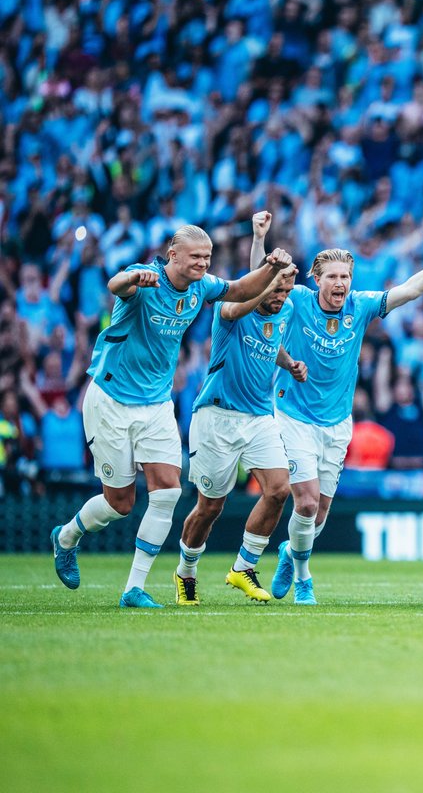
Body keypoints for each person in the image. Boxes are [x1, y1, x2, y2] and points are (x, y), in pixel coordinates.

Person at [49, 224, 294, 608]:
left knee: (168, 491)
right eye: (195, 256)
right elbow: (117, 285)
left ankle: (134, 588)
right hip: (111, 398)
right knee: (120, 503)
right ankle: (66, 537)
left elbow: (240, 290)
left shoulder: (202, 287)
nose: (202, 263)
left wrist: (269, 266)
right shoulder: (145, 278)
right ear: (172, 254)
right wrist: (132, 276)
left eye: (207, 257)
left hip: (157, 403)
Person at [269, 231, 423, 605]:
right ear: (316, 278)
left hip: (337, 422)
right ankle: (304, 578)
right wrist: (261, 240)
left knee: (320, 510)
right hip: (293, 414)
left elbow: (407, 291)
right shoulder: (297, 301)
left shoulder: (360, 306)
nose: (340, 283)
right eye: (332, 277)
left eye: (345, 277)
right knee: (306, 503)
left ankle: (289, 553)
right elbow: (259, 287)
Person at [174, 212, 308, 606]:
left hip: (258, 416)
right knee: (209, 507)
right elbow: (239, 303)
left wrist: (289, 363)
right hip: (216, 416)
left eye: (286, 293)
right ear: (262, 287)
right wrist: (261, 246)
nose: (281, 300)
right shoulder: (232, 310)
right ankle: (186, 571)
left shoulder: (282, 311)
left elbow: (273, 342)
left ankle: (243, 567)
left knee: (280, 489)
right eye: (275, 291)